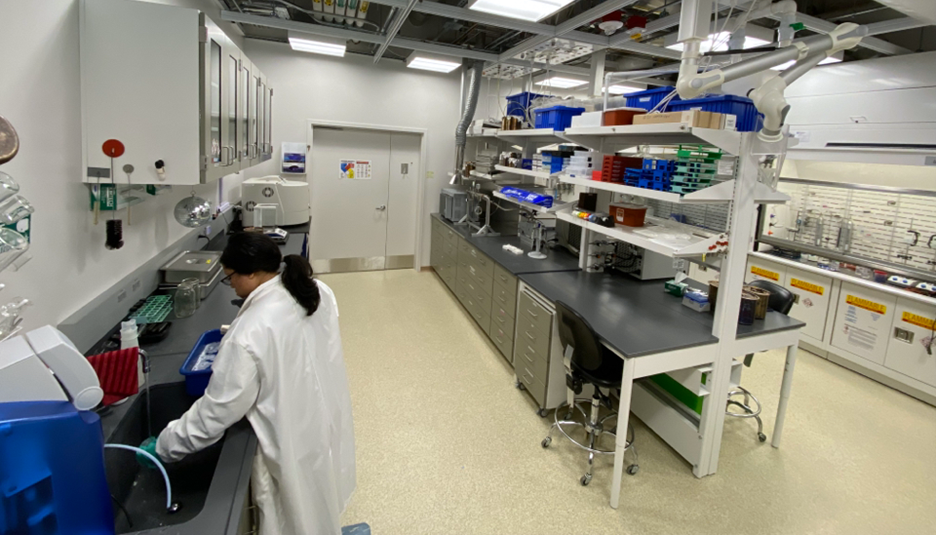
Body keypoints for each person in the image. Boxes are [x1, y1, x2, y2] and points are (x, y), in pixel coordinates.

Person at [140, 232, 355, 534]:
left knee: (298, 513)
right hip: (320, 414)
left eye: (230, 278)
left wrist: (165, 446)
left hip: (289, 433)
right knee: (320, 494)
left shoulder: (248, 334)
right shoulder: (316, 290)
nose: (232, 285)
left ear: (252, 273)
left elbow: (217, 413)